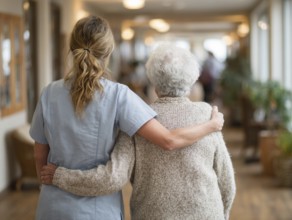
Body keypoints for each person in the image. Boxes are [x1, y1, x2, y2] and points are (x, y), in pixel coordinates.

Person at [30, 16, 224, 220]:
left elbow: (39, 156)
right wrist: (211, 125)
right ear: (109, 52)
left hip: (52, 207)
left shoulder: (49, 93)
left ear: (72, 48)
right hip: (99, 212)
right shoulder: (119, 96)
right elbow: (169, 140)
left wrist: (49, 186)